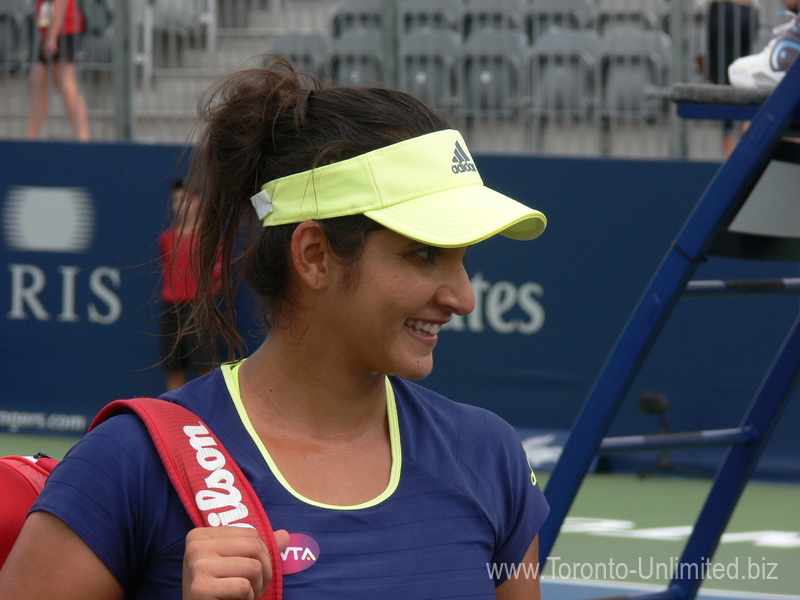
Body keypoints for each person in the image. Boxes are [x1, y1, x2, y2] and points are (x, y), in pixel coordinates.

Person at [0, 57, 550, 599]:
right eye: (424, 255)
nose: (463, 298)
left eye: (463, 259)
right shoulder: (127, 464)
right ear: (313, 255)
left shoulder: (491, 457)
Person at [159, 178, 221, 391]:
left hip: (198, 310)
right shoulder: (166, 239)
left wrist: (203, 305)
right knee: (173, 369)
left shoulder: (209, 237)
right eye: (176, 200)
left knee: (206, 369)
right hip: (170, 309)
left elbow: (219, 276)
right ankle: (171, 420)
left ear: (198, 201)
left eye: (186, 199)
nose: (181, 205)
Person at [702, 0, 761, 155]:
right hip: (747, 10)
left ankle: (730, 143)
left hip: (725, 10)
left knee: (724, 76)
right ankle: (744, 131)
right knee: (745, 72)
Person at [26, 0, 90, 141]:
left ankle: (83, 137)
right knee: (39, 79)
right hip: (52, 30)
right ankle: (30, 136)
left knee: (65, 81)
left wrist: (52, 36)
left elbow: (61, 3)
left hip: (64, 29)